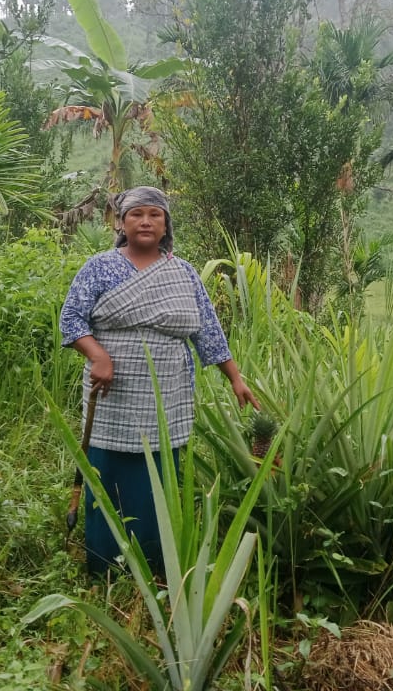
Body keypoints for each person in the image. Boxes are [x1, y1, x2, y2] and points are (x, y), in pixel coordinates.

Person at [59, 186, 258, 578]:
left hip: (167, 391)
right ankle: (105, 567)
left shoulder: (182, 273)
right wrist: (98, 355)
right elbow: (72, 319)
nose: (145, 221)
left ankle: (154, 566)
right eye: (136, 214)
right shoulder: (99, 267)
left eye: (154, 214)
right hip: (112, 394)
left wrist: (236, 379)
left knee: (159, 473)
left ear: (166, 225)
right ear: (121, 223)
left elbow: (208, 332)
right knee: (109, 469)